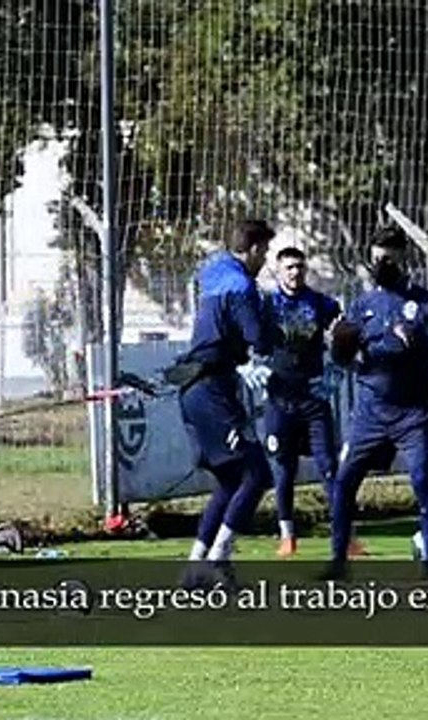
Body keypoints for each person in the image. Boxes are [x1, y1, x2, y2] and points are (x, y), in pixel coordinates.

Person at [323, 226, 428, 580]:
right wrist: (336, 344)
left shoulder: (426, 304)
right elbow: (344, 357)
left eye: (390, 259)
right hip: (369, 411)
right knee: (344, 480)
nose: (382, 264)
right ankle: (338, 561)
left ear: (404, 259)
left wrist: (417, 340)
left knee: (422, 479)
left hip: (413, 412)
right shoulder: (361, 306)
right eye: (378, 258)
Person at [168, 219, 278, 576]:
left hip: (196, 389)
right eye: (265, 252)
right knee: (257, 473)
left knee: (231, 480)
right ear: (255, 249)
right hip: (213, 391)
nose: (265, 260)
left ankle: (195, 567)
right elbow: (258, 338)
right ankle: (219, 559)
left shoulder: (214, 272)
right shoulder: (242, 286)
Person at [259, 246, 363, 557]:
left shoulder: (320, 303)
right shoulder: (267, 305)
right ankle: (287, 534)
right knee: (283, 469)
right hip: (279, 399)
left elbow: (346, 330)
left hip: (313, 399)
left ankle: (346, 536)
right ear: (278, 271)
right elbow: (249, 335)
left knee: (329, 466)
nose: (295, 273)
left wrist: (340, 363)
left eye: (299, 267)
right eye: (289, 267)